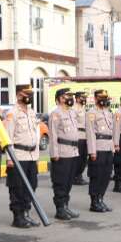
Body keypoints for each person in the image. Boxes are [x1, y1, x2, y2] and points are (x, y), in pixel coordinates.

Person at [5, 84, 41, 228]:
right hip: (18, 156)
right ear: (19, 95)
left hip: (31, 156)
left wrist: (37, 156)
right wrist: (9, 158)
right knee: (17, 187)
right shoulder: (12, 113)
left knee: (31, 186)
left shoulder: (32, 112)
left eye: (31, 94)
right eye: (27, 94)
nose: (30, 96)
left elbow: (35, 134)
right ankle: (18, 216)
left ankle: (26, 213)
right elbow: (8, 137)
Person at [49, 88, 80, 220]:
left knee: (68, 181)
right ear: (61, 98)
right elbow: (53, 134)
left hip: (73, 152)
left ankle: (66, 206)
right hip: (62, 152)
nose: (70, 98)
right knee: (61, 182)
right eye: (68, 96)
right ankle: (60, 209)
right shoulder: (56, 114)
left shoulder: (72, 112)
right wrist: (54, 153)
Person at [86, 89, 115, 212]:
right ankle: (94, 202)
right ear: (96, 99)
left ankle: (100, 199)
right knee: (96, 175)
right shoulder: (91, 113)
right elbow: (90, 133)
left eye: (105, 97)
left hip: (108, 147)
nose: (104, 100)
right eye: (101, 97)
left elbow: (111, 131)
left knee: (106, 175)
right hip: (98, 147)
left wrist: (113, 147)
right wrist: (92, 151)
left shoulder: (108, 112)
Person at [72, 91, 89, 185]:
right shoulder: (74, 108)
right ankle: (75, 176)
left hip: (84, 135)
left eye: (85, 97)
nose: (84, 99)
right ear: (77, 98)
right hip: (78, 135)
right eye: (82, 97)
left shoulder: (83, 108)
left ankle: (79, 175)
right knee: (78, 158)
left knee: (83, 158)